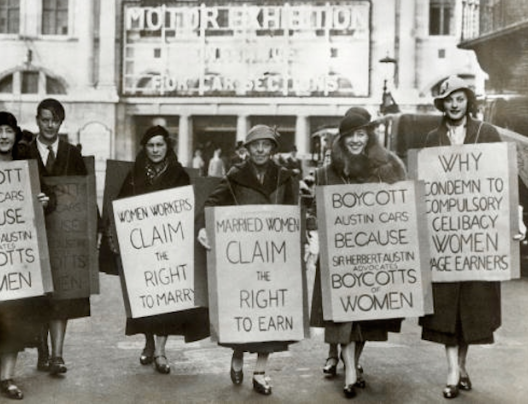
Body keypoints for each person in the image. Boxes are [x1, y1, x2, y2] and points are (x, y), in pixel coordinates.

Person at [310, 108, 406, 398]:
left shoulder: (389, 166)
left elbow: (403, 205)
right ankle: (349, 369)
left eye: (361, 134)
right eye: (350, 135)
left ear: (369, 136)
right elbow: (317, 211)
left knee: (365, 316)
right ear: (341, 140)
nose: (355, 140)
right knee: (342, 318)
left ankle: (354, 360)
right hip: (339, 258)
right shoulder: (327, 173)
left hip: (374, 254)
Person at [197, 125, 299, 396]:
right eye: (256, 145)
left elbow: (295, 212)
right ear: (247, 149)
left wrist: (306, 235)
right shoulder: (235, 175)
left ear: (274, 149)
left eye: (266, 145)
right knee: (246, 311)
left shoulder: (286, 177)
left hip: (274, 258)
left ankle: (260, 372)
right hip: (243, 260)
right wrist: (204, 226)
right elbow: (212, 202)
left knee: (270, 314)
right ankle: (238, 353)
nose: (261, 150)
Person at [419, 76, 503, 399]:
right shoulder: (431, 138)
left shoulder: (487, 134)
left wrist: (513, 219)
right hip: (443, 240)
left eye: (460, 99)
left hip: (477, 237)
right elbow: (423, 185)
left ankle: (463, 364)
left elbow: (501, 181)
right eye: (449, 100)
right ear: (442, 104)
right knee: (446, 307)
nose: (454, 105)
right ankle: (452, 371)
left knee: (470, 306)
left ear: (469, 102)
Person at [0, 111, 49, 400]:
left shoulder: (26, 167)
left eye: (9, 131)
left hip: (17, 258)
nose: (4, 136)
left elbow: (47, 198)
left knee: (14, 315)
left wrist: (44, 200)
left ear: (16, 135)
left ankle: (8, 377)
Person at [115, 125, 209, 373]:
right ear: (144, 148)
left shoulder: (178, 173)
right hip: (141, 248)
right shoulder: (134, 173)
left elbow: (187, 206)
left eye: (160, 145)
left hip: (169, 247)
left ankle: (160, 351)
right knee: (144, 299)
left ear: (167, 147)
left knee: (165, 301)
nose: (155, 150)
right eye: (151, 145)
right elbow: (122, 205)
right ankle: (147, 343)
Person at [27, 98, 91, 376]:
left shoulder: (71, 153)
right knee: (37, 296)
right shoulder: (23, 151)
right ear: (37, 120)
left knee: (62, 296)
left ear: (61, 123)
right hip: (31, 235)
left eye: (54, 120)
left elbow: (85, 195)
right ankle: (42, 349)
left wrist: (93, 232)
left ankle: (57, 355)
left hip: (65, 236)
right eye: (44, 119)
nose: (49, 125)